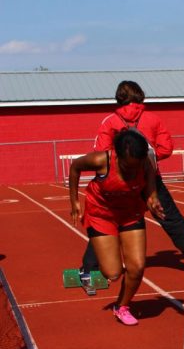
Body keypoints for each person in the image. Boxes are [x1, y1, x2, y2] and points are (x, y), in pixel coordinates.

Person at [78, 80, 184, 284]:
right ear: (141, 96)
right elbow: (166, 147)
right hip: (149, 179)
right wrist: (147, 160)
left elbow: (101, 152)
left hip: (120, 182)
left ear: (118, 98)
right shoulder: (153, 119)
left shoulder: (110, 121)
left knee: (106, 220)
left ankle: (89, 269)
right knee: (171, 218)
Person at [68, 129, 164, 326]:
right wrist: (74, 202)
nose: (131, 172)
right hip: (102, 215)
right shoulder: (101, 161)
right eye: (127, 167)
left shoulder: (145, 161)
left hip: (130, 214)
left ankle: (121, 307)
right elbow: (75, 167)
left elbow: (150, 181)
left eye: (135, 167)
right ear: (117, 155)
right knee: (112, 273)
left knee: (136, 268)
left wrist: (152, 199)